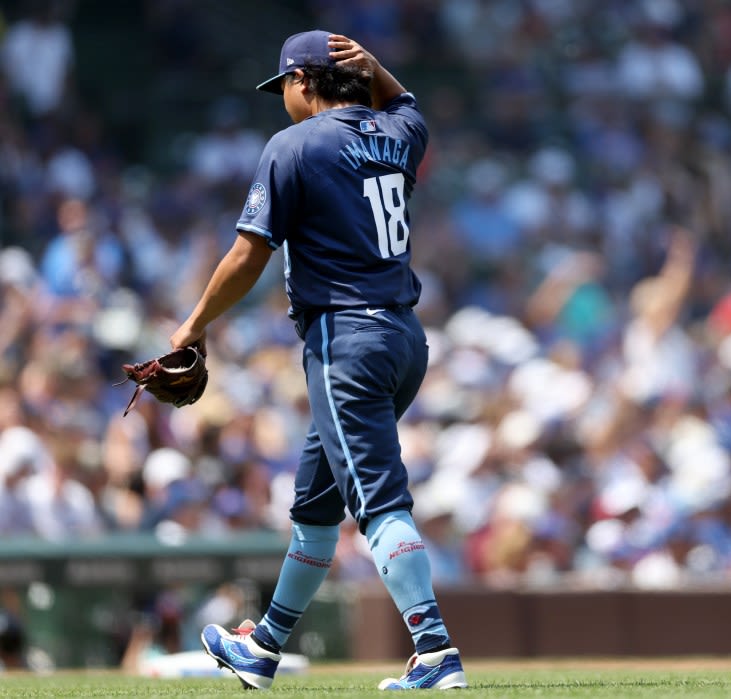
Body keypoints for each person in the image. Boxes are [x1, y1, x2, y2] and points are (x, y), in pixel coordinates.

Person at [172, 30, 467, 691]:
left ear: (303, 81)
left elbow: (250, 252)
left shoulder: (294, 146)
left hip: (347, 341)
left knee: (379, 501)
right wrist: (376, 69)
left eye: (284, 87)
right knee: (315, 507)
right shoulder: (397, 135)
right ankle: (265, 645)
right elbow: (409, 104)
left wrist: (192, 325)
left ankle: (435, 648)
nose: (283, 100)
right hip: (403, 339)